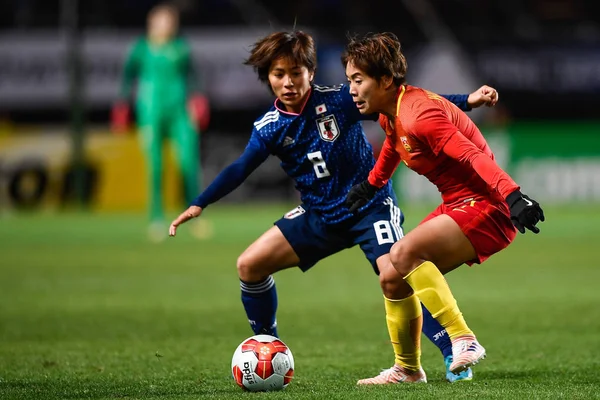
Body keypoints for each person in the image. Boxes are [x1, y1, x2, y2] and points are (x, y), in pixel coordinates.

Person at [168, 31, 500, 383]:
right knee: (249, 265)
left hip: (370, 207)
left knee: (398, 272)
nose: (289, 82)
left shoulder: (340, 100)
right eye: (279, 74)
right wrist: (199, 203)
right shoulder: (269, 128)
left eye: (296, 72)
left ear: (311, 72)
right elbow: (239, 168)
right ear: (268, 78)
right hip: (320, 216)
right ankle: (268, 346)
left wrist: (468, 100)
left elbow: (408, 106)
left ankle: (452, 354)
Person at [342, 32, 544, 384]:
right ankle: (407, 369)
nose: (352, 90)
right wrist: (371, 184)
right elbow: (393, 147)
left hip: (488, 206)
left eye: (358, 80)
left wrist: (513, 196)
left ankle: (464, 338)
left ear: (386, 80)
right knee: (390, 276)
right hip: (458, 203)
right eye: (349, 81)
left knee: (403, 252)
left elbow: (471, 154)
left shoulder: (419, 114)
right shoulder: (393, 113)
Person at [111, 3, 210, 242]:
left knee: (187, 163)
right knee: (155, 166)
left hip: (179, 112)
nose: (167, 26)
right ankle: (156, 218)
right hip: (151, 112)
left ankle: (194, 216)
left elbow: (193, 76)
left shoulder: (181, 48)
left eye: (170, 21)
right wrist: (122, 106)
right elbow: (126, 79)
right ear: (151, 23)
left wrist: (198, 101)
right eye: (162, 21)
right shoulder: (140, 49)